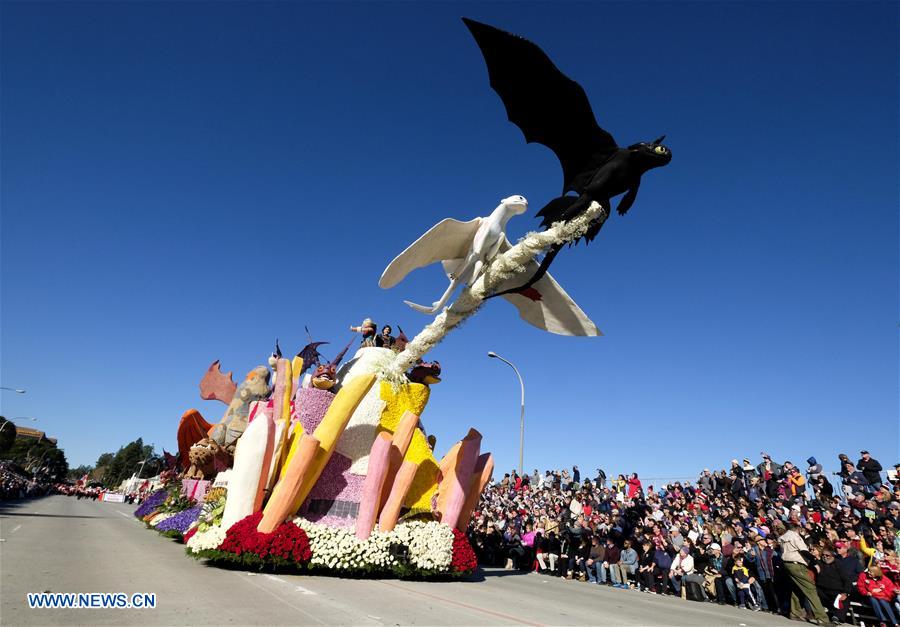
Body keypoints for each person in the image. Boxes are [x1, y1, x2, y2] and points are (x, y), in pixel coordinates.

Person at [773, 520, 829, 624]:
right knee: (810, 589)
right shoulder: (794, 535)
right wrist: (815, 561)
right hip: (796, 564)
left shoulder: (781, 537)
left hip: (787, 563)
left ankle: (795, 613)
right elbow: (803, 550)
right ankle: (822, 618)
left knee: (796, 587)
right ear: (797, 529)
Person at [814, 547, 852, 625]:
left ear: (833, 556)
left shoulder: (839, 565)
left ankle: (837, 617)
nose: (825, 557)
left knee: (845, 600)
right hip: (822, 590)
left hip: (836, 591)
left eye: (827, 555)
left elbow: (847, 580)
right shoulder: (820, 563)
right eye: (823, 555)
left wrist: (845, 593)